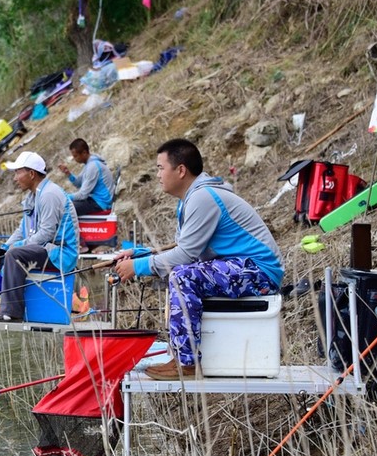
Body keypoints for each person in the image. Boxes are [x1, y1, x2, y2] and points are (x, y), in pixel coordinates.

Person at [114, 138, 283, 380]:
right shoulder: (191, 199)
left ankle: (187, 364)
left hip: (259, 271)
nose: (158, 175)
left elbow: (185, 256)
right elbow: (185, 248)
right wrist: (142, 254)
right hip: (241, 267)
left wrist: (139, 267)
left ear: (181, 170)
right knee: (183, 272)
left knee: (182, 276)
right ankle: (183, 357)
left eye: (161, 168)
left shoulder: (203, 197)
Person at [0, 151, 79, 321]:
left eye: (18, 172)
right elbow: (22, 230)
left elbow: (46, 233)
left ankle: (11, 312)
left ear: (32, 174)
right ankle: (5, 305)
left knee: (15, 254)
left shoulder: (49, 194)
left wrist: (16, 247)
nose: (15, 178)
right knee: (9, 254)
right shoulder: (32, 196)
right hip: (46, 249)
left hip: (61, 253)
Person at [57, 138, 114, 216]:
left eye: (75, 156)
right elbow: (78, 183)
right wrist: (68, 173)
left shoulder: (93, 167)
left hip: (101, 203)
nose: (74, 159)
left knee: (64, 210)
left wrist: (64, 197)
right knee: (65, 205)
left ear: (84, 153)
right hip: (94, 199)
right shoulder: (89, 164)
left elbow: (82, 195)